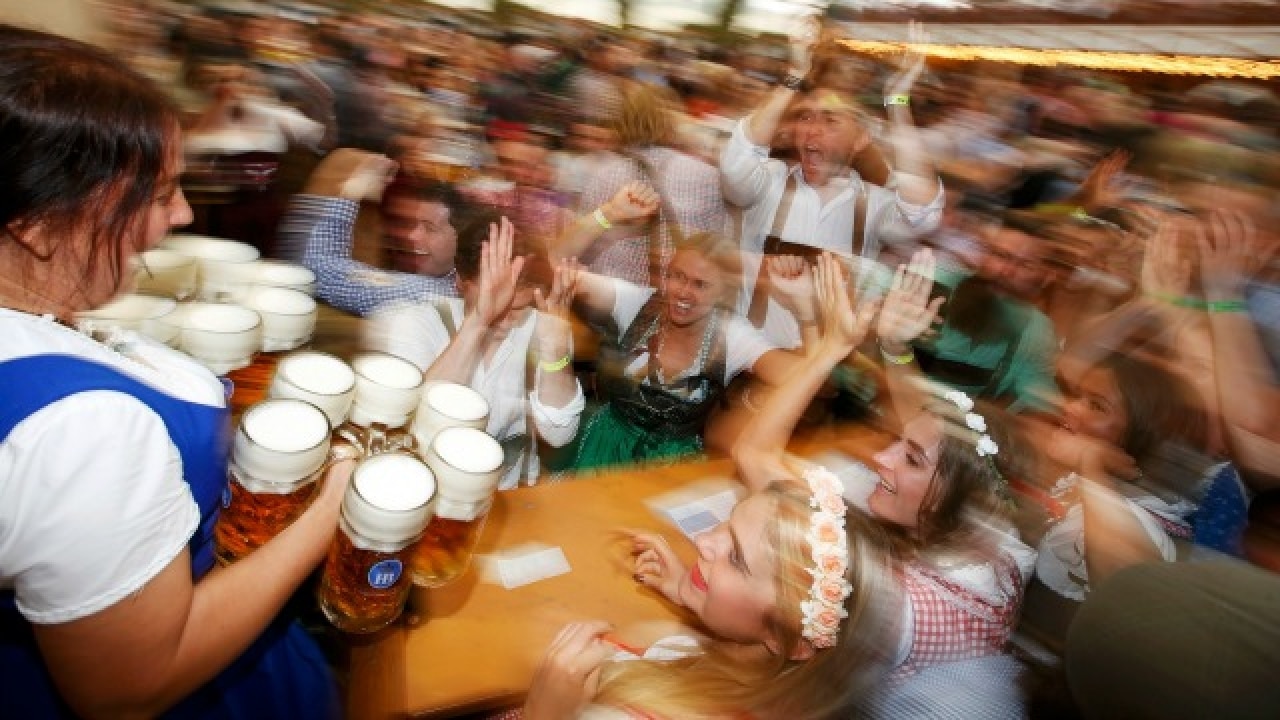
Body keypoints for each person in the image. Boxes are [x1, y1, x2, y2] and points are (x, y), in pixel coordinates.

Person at [0, 25, 349, 719]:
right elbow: (129, 687)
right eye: (156, 195)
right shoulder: (85, 426)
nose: (182, 213)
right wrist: (332, 507)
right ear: (37, 223)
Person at [734, 254, 1035, 698]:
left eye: (909, 460)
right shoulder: (994, 527)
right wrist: (897, 349)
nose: (882, 459)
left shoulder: (882, 594)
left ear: (945, 499)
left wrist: (832, 345)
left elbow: (754, 454)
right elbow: (938, 439)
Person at [520, 466, 902, 719]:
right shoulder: (779, 685)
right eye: (727, 523)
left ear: (790, 638)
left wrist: (543, 712)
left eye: (736, 558)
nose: (702, 541)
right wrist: (691, 591)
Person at [720, 19, 943, 349]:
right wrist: (794, 77)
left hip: (826, 372)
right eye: (805, 117)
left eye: (830, 120)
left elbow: (923, 212)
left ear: (860, 138)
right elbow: (736, 163)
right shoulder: (768, 181)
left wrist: (897, 102)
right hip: (748, 360)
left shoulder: (874, 205)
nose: (811, 130)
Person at [365, 210, 585, 489]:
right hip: (418, 493)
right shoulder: (411, 323)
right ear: (460, 282)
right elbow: (411, 424)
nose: (505, 317)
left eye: (518, 307)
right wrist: (478, 323)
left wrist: (555, 352)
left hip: (505, 501)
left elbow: (559, 436)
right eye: (495, 300)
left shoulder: (542, 326)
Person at [560, 230, 794, 474]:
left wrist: (803, 307)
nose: (684, 292)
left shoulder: (731, 333)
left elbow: (796, 376)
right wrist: (606, 216)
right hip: (605, 450)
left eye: (700, 285)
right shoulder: (636, 302)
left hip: (673, 467)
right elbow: (557, 267)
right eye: (678, 276)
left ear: (723, 293)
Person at [557, 82, 729, 287]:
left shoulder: (602, 174)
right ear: (672, 121)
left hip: (614, 296)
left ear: (624, 121)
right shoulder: (705, 175)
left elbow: (582, 245)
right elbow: (718, 246)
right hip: (677, 293)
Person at [277, 147, 465, 316]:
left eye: (430, 228)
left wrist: (352, 189)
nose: (411, 236)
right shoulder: (451, 282)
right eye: (411, 224)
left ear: (463, 238)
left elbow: (316, 274)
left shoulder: (431, 293)